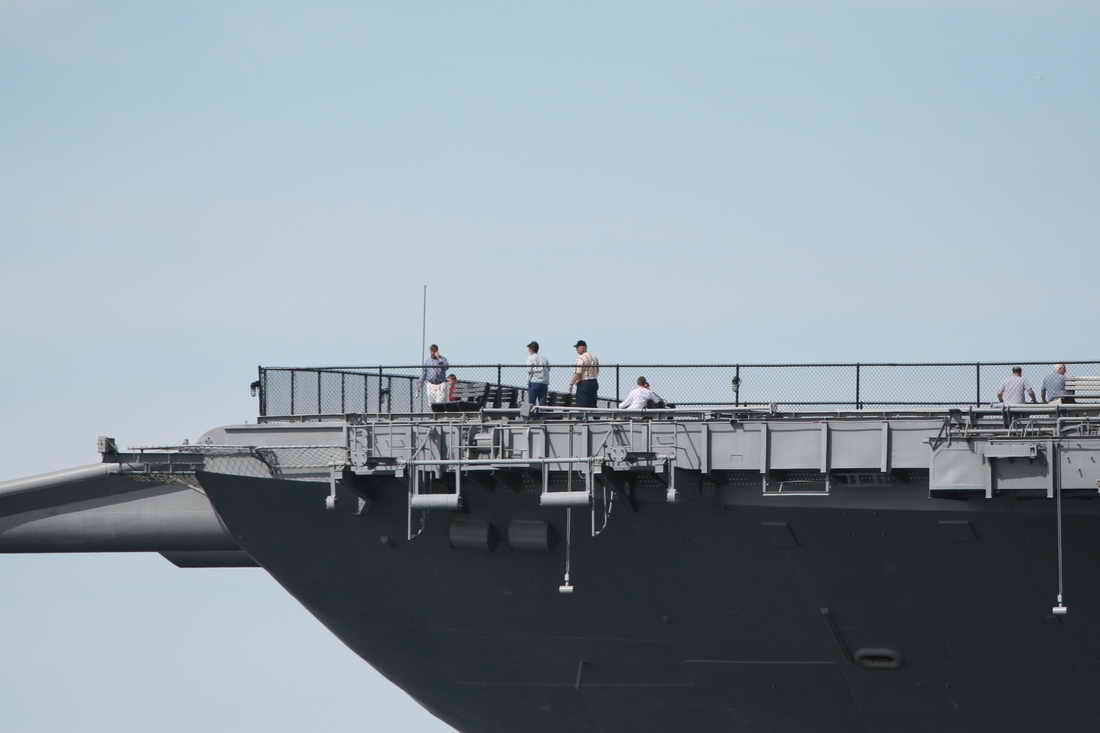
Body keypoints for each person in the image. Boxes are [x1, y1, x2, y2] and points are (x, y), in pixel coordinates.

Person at [569, 340, 600, 407]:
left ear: (582, 347)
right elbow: (597, 370)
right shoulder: (594, 357)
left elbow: (578, 373)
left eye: (577, 347)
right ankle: (594, 413)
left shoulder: (581, 358)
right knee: (592, 404)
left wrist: (571, 383)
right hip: (594, 382)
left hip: (584, 383)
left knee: (582, 404)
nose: (576, 350)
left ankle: (582, 414)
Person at [526, 341, 550, 406]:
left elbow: (529, 370)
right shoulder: (544, 359)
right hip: (544, 383)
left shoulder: (530, 358)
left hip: (534, 382)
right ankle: (541, 412)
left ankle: (532, 413)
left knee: (531, 403)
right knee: (542, 404)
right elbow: (549, 369)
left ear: (531, 349)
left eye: (529, 348)